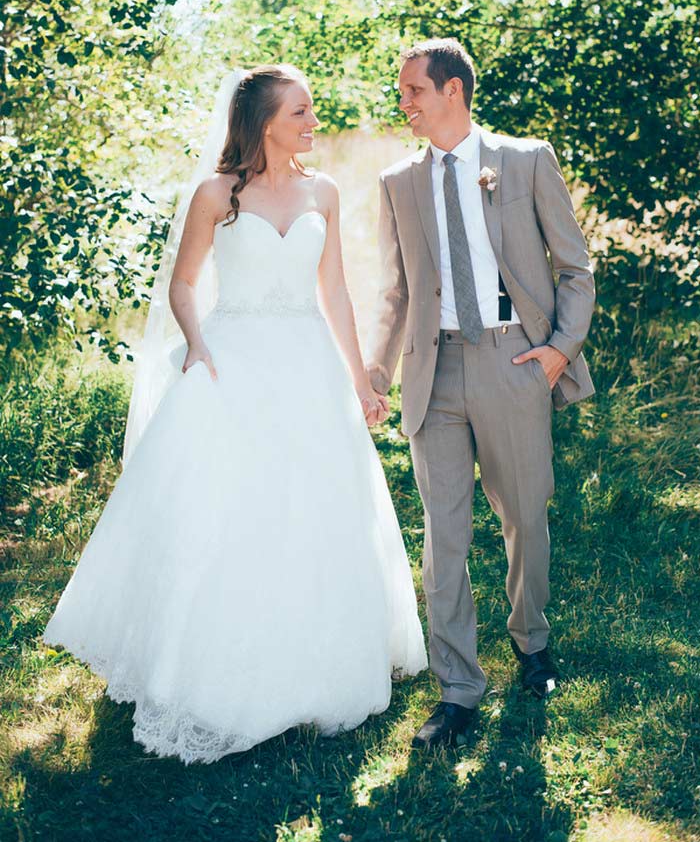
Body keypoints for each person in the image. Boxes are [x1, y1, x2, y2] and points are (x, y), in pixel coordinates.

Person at [43, 64, 427, 764]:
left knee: (313, 508)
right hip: (233, 359)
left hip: (307, 364)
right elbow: (184, 285)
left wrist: (363, 379)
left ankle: (316, 664)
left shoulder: (326, 192)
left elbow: (335, 291)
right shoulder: (215, 194)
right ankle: (209, 670)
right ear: (264, 122)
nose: (314, 122)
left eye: (311, 111)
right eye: (301, 112)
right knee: (230, 509)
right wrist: (196, 346)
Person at [367, 38, 595, 749]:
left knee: (525, 516)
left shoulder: (525, 160)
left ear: (453, 92)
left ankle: (531, 642)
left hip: (514, 360)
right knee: (444, 535)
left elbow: (575, 267)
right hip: (433, 373)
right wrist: (374, 377)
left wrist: (558, 351)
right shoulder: (398, 181)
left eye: (413, 90)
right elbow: (395, 292)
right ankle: (459, 688)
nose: (403, 102)